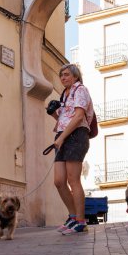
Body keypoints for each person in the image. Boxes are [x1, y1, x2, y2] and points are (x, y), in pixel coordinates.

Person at [47, 63, 94, 235]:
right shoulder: (64, 95)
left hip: (76, 136)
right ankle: (73, 216)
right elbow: (63, 118)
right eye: (61, 75)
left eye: (66, 74)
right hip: (63, 136)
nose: (63, 78)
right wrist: (53, 112)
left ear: (75, 76)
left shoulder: (80, 90)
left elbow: (79, 116)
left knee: (74, 180)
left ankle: (80, 221)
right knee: (59, 181)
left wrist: (62, 137)